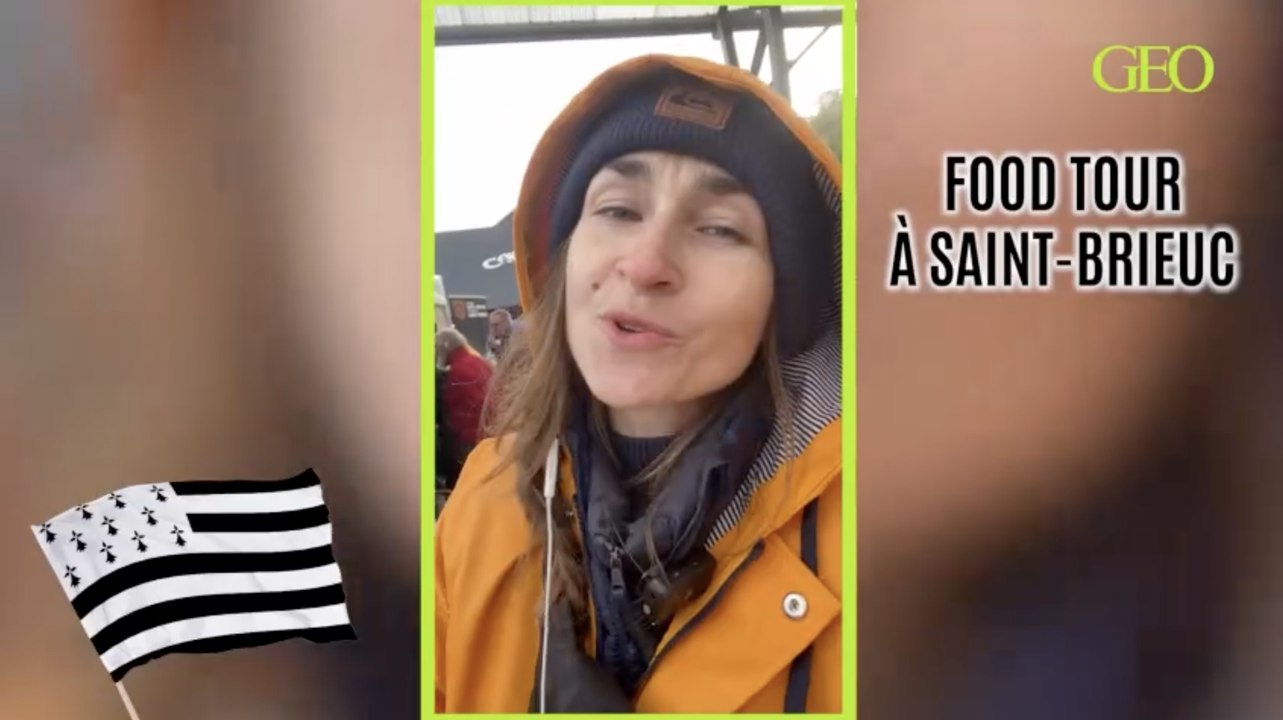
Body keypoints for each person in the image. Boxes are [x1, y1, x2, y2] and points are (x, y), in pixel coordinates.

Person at [434, 54, 842, 713]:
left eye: (719, 228)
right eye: (619, 210)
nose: (646, 263)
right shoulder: (480, 500)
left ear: (785, 300)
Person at [436, 327, 494, 490]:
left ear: (444, 348)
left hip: (468, 441)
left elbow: (453, 412)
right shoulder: (481, 362)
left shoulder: (457, 372)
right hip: (488, 435)